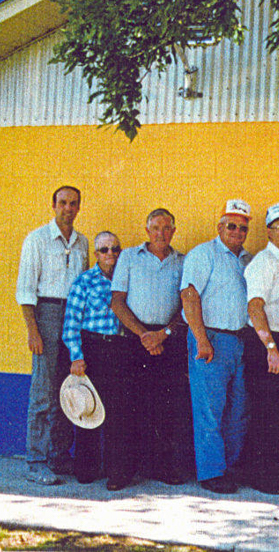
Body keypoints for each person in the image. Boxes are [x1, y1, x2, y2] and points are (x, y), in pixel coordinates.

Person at [109, 208, 191, 490]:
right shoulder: (130, 257)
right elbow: (117, 301)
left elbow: (187, 305)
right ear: (147, 230)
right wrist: (145, 335)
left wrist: (163, 334)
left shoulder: (183, 262)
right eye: (155, 227)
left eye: (167, 228)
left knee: (167, 407)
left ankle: (163, 467)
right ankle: (122, 471)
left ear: (174, 231)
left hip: (169, 338)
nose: (161, 233)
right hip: (135, 338)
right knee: (127, 406)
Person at [16, 185, 90, 485]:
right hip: (45, 315)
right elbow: (25, 290)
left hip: (73, 317)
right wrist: (33, 330)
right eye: (62, 203)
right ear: (53, 205)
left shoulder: (83, 242)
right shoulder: (37, 240)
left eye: (73, 204)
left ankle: (59, 456)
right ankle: (36, 459)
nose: (67, 209)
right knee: (44, 391)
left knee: (68, 388)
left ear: (79, 207)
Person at [180, 199, 253, 494]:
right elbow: (189, 295)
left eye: (243, 227)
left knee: (238, 410)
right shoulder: (204, 254)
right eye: (231, 226)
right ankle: (211, 472)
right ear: (219, 227)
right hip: (210, 339)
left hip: (239, 341)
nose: (237, 231)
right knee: (209, 410)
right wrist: (200, 338)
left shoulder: (247, 259)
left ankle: (230, 467)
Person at [241, 203, 279, 494]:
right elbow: (255, 307)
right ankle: (264, 478)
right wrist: (270, 346)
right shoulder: (263, 262)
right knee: (267, 411)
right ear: (268, 231)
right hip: (267, 342)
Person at [61, 231, 122, 486]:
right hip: (93, 348)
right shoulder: (84, 282)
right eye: (104, 250)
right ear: (96, 254)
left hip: (119, 349)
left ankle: (114, 468)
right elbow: (71, 324)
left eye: (115, 249)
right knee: (89, 409)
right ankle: (86, 468)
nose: (110, 254)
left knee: (117, 412)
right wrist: (77, 357)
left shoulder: (124, 279)